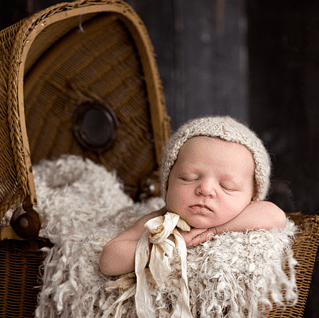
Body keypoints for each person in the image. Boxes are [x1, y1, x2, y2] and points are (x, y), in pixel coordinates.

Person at [99, 116, 288, 276]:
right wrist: (169, 244)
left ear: (252, 197)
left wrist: (214, 230)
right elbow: (109, 260)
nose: (205, 189)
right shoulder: (160, 221)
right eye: (188, 178)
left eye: (226, 186)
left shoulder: (245, 215)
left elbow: (276, 216)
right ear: (167, 182)